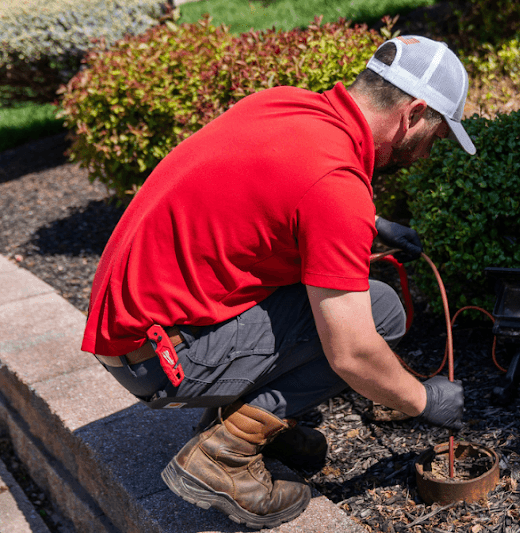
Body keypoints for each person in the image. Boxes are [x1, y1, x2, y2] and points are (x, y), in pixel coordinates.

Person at [82, 35, 476, 529]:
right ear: (413, 113)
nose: (425, 154)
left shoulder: (283, 104)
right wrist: (424, 399)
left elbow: (268, 188)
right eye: (436, 138)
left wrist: (370, 224)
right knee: (379, 312)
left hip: (133, 330)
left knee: (346, 299)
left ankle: (249, 422)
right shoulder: (336, 188)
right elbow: (351, 353)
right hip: (160, 360)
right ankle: (224, 455)